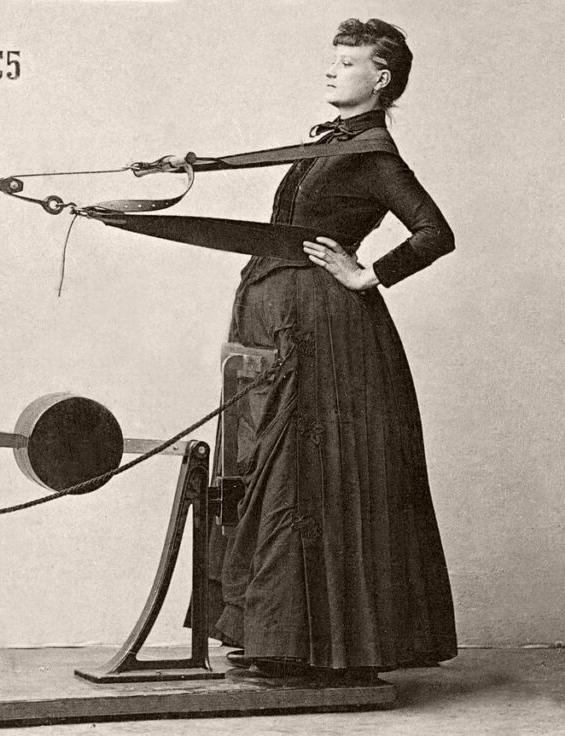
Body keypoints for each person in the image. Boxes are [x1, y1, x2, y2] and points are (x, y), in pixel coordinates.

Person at [209, 18, 458, 681]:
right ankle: (273, 636)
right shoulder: (328, 143)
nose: (332, 69)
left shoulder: (373, 154)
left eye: (348, 63)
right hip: (275, 318)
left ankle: (309, 648)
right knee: (266, 463)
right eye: (333, 59)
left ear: (380, 78)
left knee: (301, 473)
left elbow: (435, 233)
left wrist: (368, 274)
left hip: (323, 333)